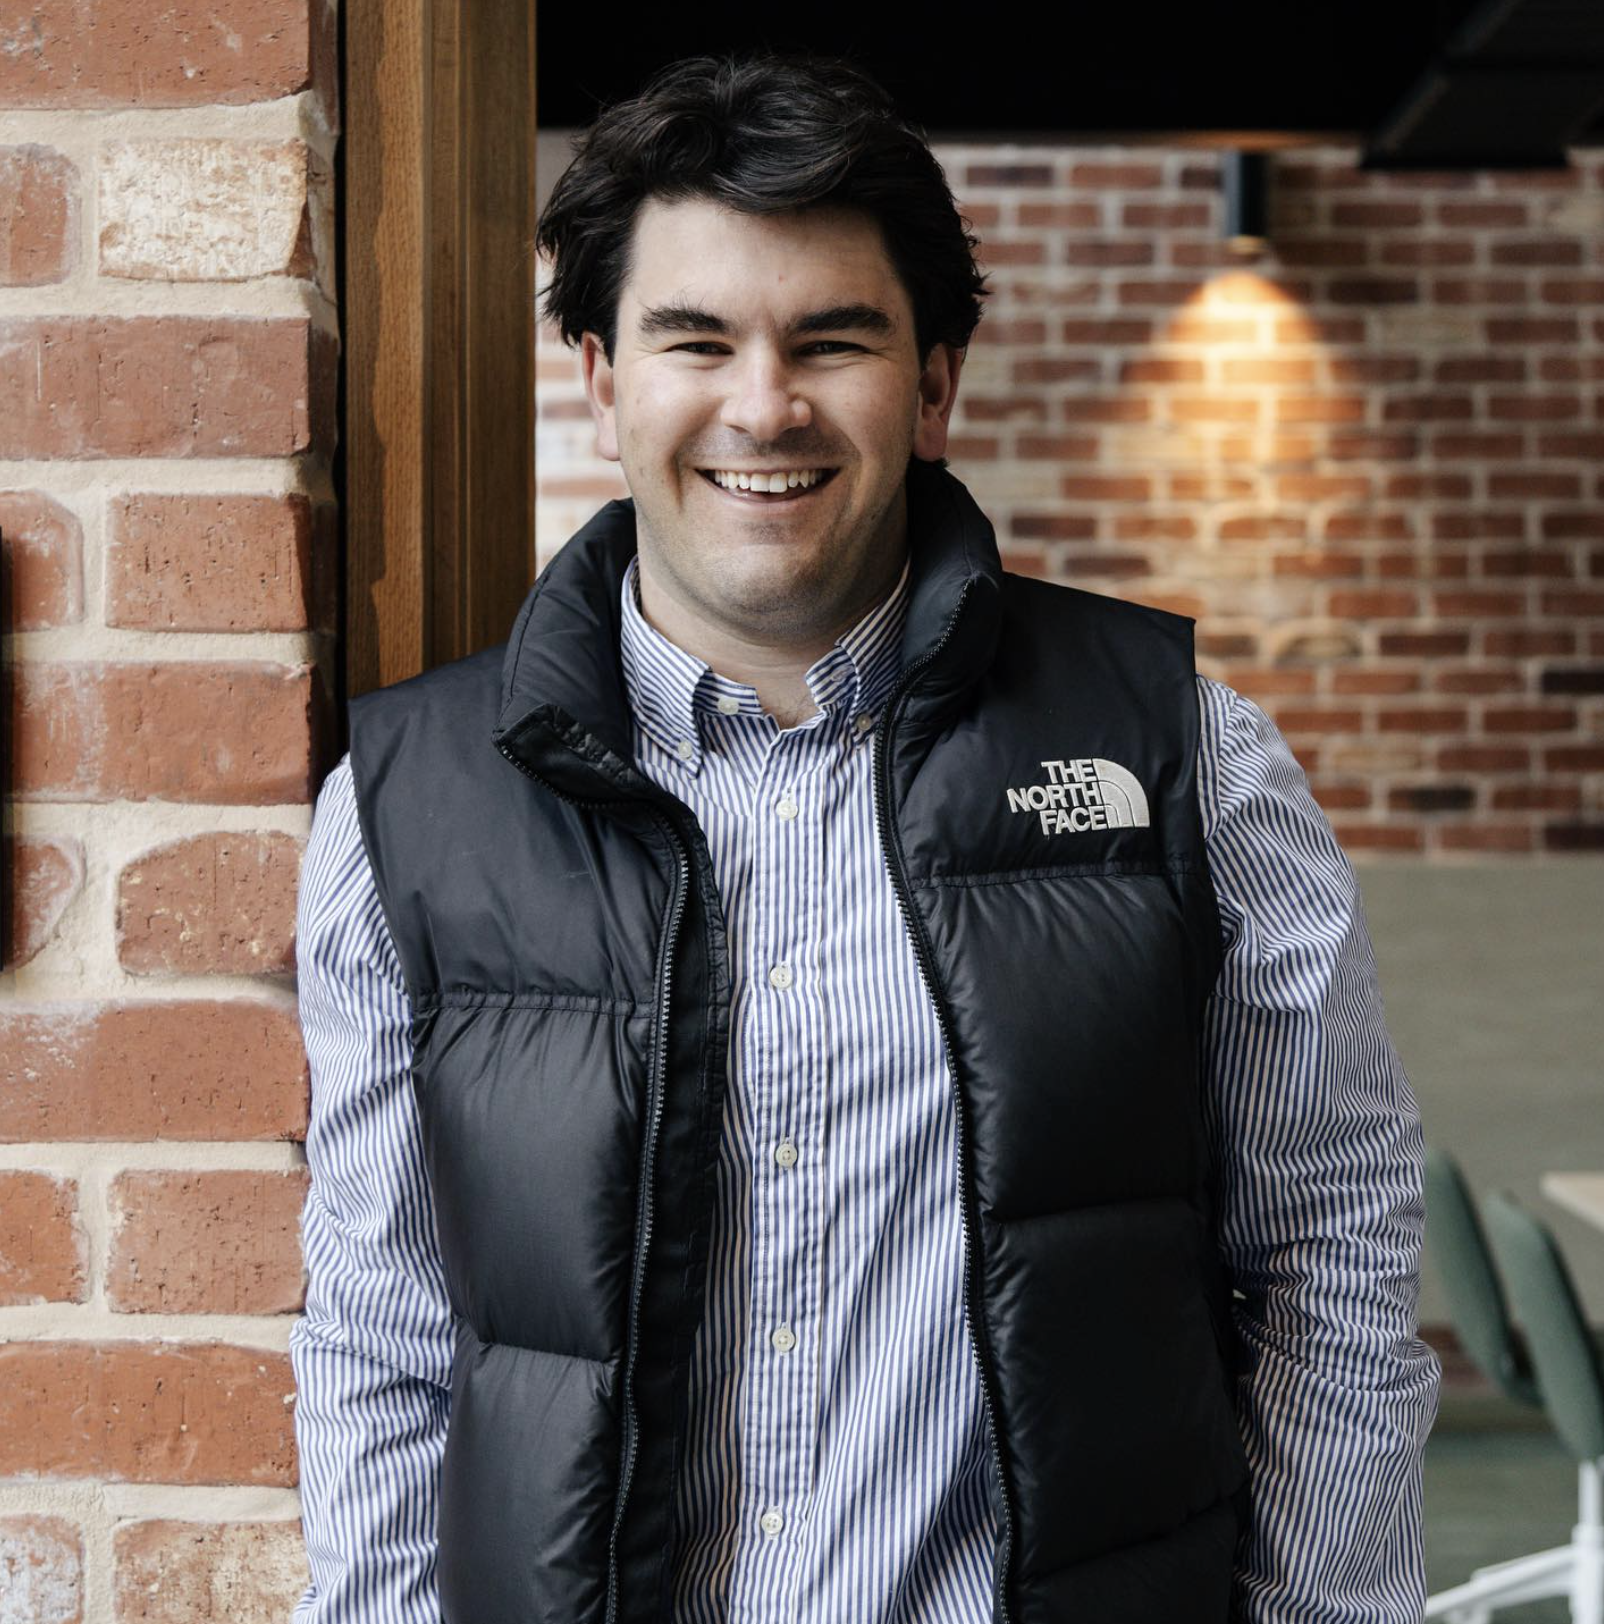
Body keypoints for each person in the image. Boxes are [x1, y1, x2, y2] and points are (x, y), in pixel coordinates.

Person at [289, 49, 1442, 1624]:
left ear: (935, 382)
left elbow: (1331, 1256)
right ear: (599, 374)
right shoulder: (410, 803)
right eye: (696, 339)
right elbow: (385, 1335)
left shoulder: (1188, 754)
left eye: (832, 340)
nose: (764, 405)